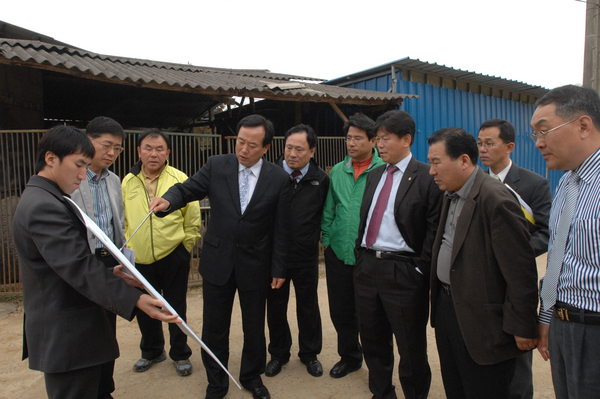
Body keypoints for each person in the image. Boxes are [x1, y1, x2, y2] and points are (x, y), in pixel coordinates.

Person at [12, 125, 178, 399]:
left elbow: (66, 262)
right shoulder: (43, 205)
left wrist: (112, 271)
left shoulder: (50, 197)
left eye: (86, 166)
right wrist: (135, 299)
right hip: (68, 337)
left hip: (82, 332)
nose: (81, 175)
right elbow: (77, 266)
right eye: (78, 165)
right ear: (51, 159)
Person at [149, 114, 290, 399]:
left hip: (255, 264)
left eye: (252, 145)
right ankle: (217, 382)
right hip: (218, 262)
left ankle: (252, 377)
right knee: (215, 328)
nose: (243, 150)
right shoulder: (217, 166)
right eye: (240, 142)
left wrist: (279, 267)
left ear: (266, 148)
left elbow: (282, 228)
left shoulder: (278, 178)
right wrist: (168, 201)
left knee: (254, 327)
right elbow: (187, 188)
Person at [427, 127, 538, 399]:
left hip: (484, 321)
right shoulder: (450, 193)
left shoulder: (495, 199)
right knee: (456, 384)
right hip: (449, 307)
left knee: (483, 387)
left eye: (436, 162)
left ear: (464, 160)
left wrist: (523, 326)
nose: (432, 171)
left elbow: (520, 270)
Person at [354, 110, 442, 399]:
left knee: (410, 346)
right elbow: (366, 220)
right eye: (377, 139)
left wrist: (419, 271)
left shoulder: (425, 177)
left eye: (385, 139)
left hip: (403, 272)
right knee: (373, 341)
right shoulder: (375, 174)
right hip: (368, 267)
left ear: (406, 139)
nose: (379, 145)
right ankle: (382, 393)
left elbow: (433, 231)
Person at [532, 85, 600, 399]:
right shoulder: (566, 185)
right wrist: (548, 316)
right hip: (564, 325)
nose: (539, 143)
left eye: (544, 131)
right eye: (534, 134)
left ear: (583, 126)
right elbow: (559, 258)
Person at [477, 118, 552, 399]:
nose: (482, 149)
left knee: (518, 352)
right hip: (482, 280)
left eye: (489, 143)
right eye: (479, 143)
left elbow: (546, 232)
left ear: (509, 146)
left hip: (515, 280)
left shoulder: (533, 184)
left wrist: (511, 255)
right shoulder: (475, 181)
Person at [121, 129, 201, 377]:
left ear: (168, 152)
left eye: (159, 149)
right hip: (140, 257)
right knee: (145, 307)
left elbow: (193, 218)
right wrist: (128, 249)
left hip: (173, 254)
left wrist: (185, 246)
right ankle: (152, 351)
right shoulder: (127, 181)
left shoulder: (179, 179)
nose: (153, 154)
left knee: (176, 305)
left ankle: (180, 353)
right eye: (148, 148)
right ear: (138, 151)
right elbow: (123, 218)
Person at [321, 113, 384, 379]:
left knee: (371, 314)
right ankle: (350, 357)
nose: (351, 143)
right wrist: (327, 239)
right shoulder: (338, 170)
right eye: (349, 138)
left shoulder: (383, 171)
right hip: (338, 251)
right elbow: (329, 209)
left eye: (358, 138)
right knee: (341, 310)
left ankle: (378, 366)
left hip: (369, 255)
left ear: (373, 141)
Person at [265, 124, 329, 378]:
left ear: (311, 151)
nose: (292, 154)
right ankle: (278, 354)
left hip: (305, 257)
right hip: (274, 257)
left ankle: (310, 354)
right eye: (289, 147)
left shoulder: (319, 179)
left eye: (299, 149)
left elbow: (324, 214)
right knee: (276, 307)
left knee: (308, 306)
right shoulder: (269, 175)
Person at [70, 116, 126, 398]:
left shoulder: (115, 180)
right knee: (83, 330)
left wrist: (123, 257)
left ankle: (106, 387)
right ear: (87, 141)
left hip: (110, 263)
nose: (111, 154)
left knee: (107, 329)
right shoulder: (72, 181)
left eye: (117, 149)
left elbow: (119, 222)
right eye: (106, 146)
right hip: (82, 263)